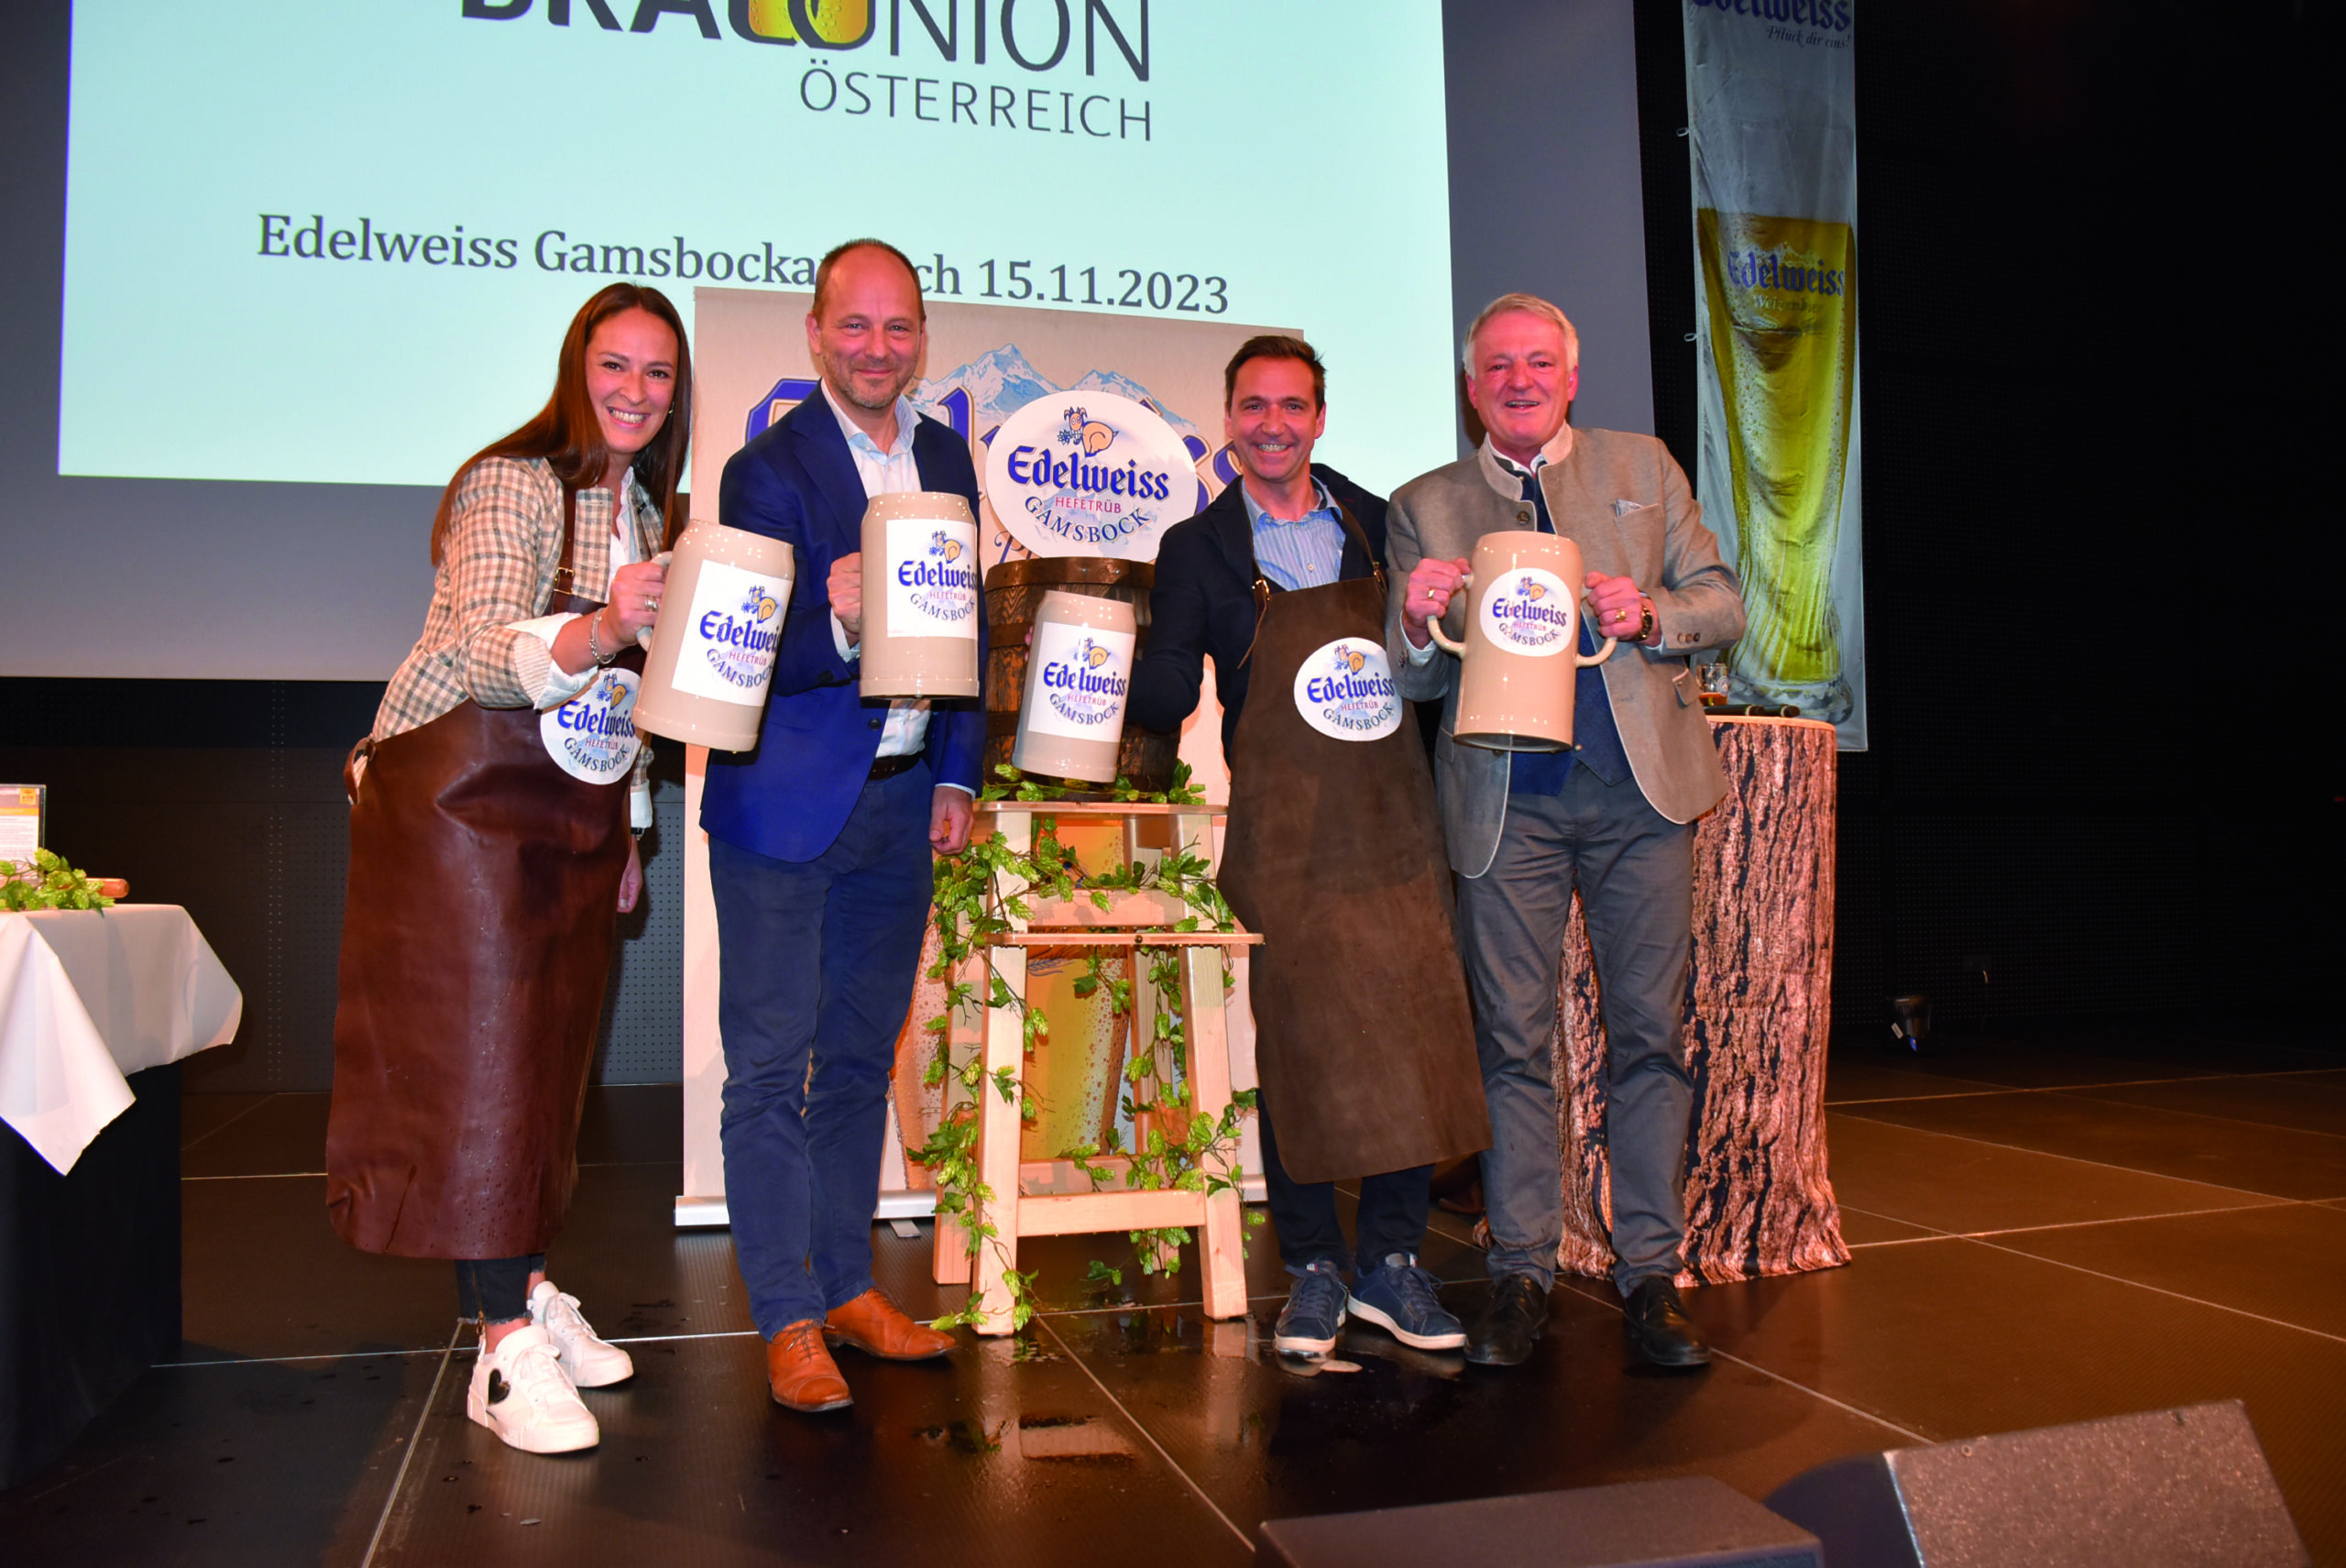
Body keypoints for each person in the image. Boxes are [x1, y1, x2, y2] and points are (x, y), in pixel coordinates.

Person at [326, 283, 689, 1453]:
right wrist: (603, 623)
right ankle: (496, 1351)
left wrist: (630, 832)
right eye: (615, 365)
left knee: (540, 1071)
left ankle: (528, 1288)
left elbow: (622, 706)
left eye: (658, 374)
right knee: (481, 1077)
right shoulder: (511, 482)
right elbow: (483, 649)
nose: (635, 391)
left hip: (566, 818)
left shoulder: (646, 511)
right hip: (458, 804)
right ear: (575, 368)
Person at [1387, 293, 1747, 1370]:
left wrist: (1655, 615)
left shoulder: (1644, 468)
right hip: (1508, 807)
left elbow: (1724, 603)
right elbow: (1410, 675)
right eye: (1497, 366)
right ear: (1471, 386)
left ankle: (1650, 1276)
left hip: (1641, 800)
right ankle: (1520, 1275)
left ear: (1570, 376)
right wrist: (1411, 616)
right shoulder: (1425, 503)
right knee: (1511, 1043)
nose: (1518, 380)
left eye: (1538, 362)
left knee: (1649, 1036)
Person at [1129, 336, 1487, 1360]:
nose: (1272, 425)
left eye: (1292, 406)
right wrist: (1102, 658)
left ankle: (1392, 1264)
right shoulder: (1197, 549)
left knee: (1413, 1042)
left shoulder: (1382, 522)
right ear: (1228, 418)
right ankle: (1314, 1269)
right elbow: (1166, 686)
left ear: (1320, 417)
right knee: (1298, 1052)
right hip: (1282, 836)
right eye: (1253, 407)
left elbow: (1440, 651)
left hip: (1394, 822)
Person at [701, 238, 983, 1413]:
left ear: (923, 339)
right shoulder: (763, 470)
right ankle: (785, 1317)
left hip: (902, 805)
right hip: (783, 802)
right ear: (814, 334)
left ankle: (849, 1288)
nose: (878, 348)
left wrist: (959, 776)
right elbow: (742, 653)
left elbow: (964, 633)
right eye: (855, 326)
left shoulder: (948, 456)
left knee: (861, 1058)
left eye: (899, 327)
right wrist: (838, 617)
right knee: (770, 1069)